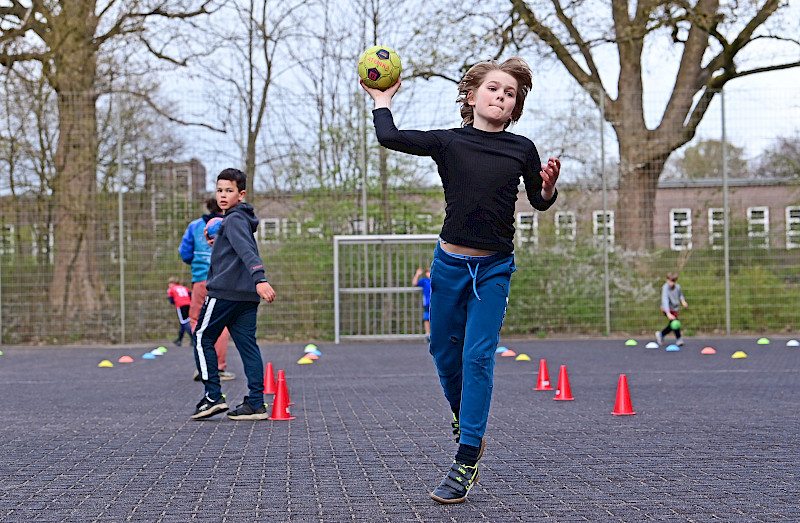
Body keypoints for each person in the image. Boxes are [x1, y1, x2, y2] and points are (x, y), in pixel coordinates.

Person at [361, 57, 561, 504]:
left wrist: (547, 189)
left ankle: (466, 458)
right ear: (472, 97)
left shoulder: (521, 149)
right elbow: (389, 136)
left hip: (493, 269)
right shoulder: (449, 143)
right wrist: (381, 100)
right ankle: (461, 415)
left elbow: (538, 200)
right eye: (494, 89)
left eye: (510, 94)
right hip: (449, 266)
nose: (501, 97)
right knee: (443, 354)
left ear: (514, 108)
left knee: (477, 357)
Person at [190, 168, 276, 421]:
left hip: (225, 292)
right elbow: (236, 249)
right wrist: (219, 244)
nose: (223, 195)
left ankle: (212, 397)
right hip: (245, 297)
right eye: (219, 190)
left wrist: (260, 278)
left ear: (241, 194)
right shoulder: (239, 221)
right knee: (248, 345)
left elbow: (248, 251)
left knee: (202, 337)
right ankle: (256, 403)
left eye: (229, 191)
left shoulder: (235, 219)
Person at [179, 197, 235, 381]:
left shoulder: (195, 226)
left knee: (196, 321)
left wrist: (197, 262)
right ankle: (217, 367)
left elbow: (185, 253)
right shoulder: (230, 224)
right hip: (225, 280)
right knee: (223, 321)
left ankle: (203, 366)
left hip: (201, 280)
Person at [656, 272, 689, 346]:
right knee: (675, 322)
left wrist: (683, 301)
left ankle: (661, 334)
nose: (671, 283)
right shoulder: (665, 288)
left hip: (674, 308)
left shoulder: (678, 287)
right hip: (666, 308)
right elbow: (665, 300)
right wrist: (668, 313)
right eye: (670, 281)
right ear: (667, 280)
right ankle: (679, 339)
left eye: (673, 281)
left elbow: (680, 295)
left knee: (672, 325)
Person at [166, 277, 193, 346]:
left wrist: (169, 297)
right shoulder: (184, 288)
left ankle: (193, 338)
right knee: (183, 322)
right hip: (189, 304)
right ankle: (179, 339)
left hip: (181, 306)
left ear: (172, 283)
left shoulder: (171, 289)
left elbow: (172, 301)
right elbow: (191, 295)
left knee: (184, 322)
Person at [412, 266, 432, 343]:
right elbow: (414, 283)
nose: (429, 274)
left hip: (437, 303)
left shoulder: (438, 280)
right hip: (427, 302)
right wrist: (417, 274)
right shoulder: (425, 281)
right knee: (427, 318)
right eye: (427, 272)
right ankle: (427, 334)